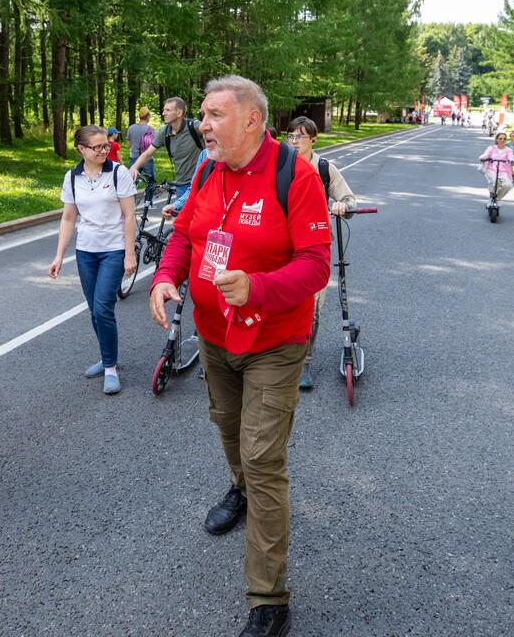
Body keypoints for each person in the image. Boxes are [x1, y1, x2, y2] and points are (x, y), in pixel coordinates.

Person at [150, 75, 331, 637]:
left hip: (274, 342)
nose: (201, 124)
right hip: (213, 336)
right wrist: (165, 276)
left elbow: (316, 266)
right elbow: (185, 236)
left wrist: (257, 288)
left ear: (251, 120)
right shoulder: (208, 170)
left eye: (213, 115)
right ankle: (240, 487)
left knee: (262, 457)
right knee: (228, 427)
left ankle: (269, 599)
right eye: (202, 114)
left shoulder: (294, 174)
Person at [49, 125, 137, 395]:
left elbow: (129, 216)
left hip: (113, 250)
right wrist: (59, 256)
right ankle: (108, 355)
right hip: (86, 252)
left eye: (105, 145)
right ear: (81, 149)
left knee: (102, 308)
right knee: (93, 310)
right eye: (97, 147)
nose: (103, 150)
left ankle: (110, 367)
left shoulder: (118, 173)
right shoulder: (72, 177)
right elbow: (68, 218)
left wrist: (130, 254)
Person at [285, 116, 356, 391]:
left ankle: (304, 361)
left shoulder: (325, 168)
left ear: (313, 140)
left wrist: (342, 206)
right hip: (282, 244)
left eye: (300, 136)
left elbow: (349, 200)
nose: (294, 141)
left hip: (315, 246)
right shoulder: (280, 166)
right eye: (291, 136)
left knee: (312, 306)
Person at [130, 96, 203, 210]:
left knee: (201, 218)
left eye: (168, 110)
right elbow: (147, 153)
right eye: (164, 110)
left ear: (179, 113)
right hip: (181, 185)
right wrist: (134, 167)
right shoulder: (164, 132)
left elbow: (216, 135)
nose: (163, 113)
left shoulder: (194, 126)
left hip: (201, 184)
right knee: (181, 220)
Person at [480, 131, 514, 202]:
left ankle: (497, 198)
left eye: (504, 139)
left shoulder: (509, 150)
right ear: (496, 140)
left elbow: (511, 158)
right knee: (495, 182)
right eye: (500, 138)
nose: (502, 140)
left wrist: (512, 161)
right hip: (491, 169)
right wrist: (483, 158)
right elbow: (485, 156)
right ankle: (492, 194)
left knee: (508, 185)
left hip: (503, 171)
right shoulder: (491, 148)